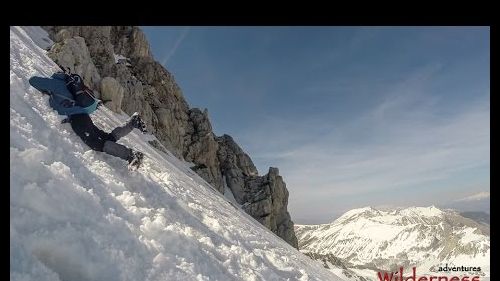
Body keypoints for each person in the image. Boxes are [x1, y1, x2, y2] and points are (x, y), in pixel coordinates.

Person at [60, 72, 147, 169]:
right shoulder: (72, 84)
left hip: (78, 116)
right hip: (82, 115)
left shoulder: (64, 86)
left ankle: (131, 155)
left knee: (97, 144)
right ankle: (132, 123)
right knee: (108, 138)